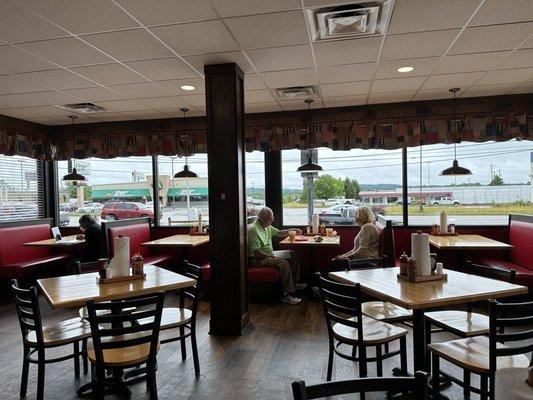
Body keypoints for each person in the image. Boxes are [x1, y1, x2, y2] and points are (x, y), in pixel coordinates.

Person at [248, 207, 306, 305]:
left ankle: (293, 283)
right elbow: (257, 253)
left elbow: (279, 233)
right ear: (264, 219)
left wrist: (293, 230)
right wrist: (274, 258)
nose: (273, 219)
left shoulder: (266, 226)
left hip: (270, 254)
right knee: (283, 263)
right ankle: (287, 295)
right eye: (271, 218)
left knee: (293, 254)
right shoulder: (254, 230)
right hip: (258, 259)